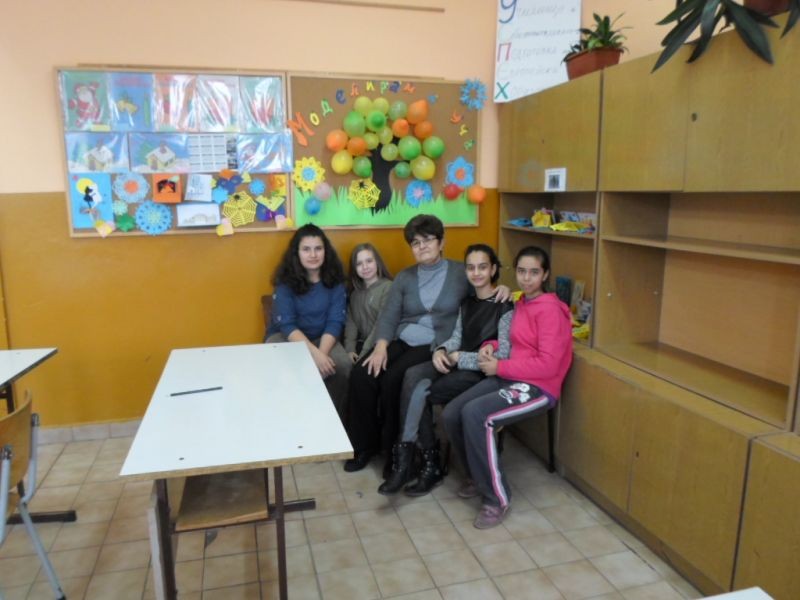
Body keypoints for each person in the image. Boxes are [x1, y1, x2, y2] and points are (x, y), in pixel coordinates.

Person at [443, 246, 573, 529]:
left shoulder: (550, 311)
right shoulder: (521, 302)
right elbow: (514, 343)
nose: (526, 278)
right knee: (452, 412)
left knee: (477, 414)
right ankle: (476, 476)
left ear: (545, 275)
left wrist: (500, 368)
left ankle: (496, 499)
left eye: (534, 272)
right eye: (522, 271)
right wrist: (490, 347)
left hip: (538, 387)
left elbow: (548, 365)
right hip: (512, 375)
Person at [378, 244, 513, 496]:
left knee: (420, 393)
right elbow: (457, 337)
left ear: (494, 269)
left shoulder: (505, 305)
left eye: (483, 267)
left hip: (482, 374)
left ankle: (425, 462)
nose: (476, 273)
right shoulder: (467, 303)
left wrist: (460, 358)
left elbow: (503, 356)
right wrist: (441, 349)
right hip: (458, 364)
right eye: (471, 267)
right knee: (414, 377)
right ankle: (415, 459)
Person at [343, 215, 468, 473]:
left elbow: (484, 292)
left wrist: (501, 290)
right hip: (402, 339)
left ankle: (394, 453)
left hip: (435, 344)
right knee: (362, 374)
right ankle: (364, 446)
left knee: (392, 380)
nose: (422, 247)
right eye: (415, 243)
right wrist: (380, 348)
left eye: (427, 240)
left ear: (441, 242)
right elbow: (389, 316)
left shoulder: (461, 273)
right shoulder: (405, 277)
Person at [265, 223, 351, 419]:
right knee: (285, 370)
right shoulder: (285, 282)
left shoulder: (336, 281)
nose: (313, 254)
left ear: (325, 251)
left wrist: (322, 355)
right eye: (306, 249)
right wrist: (315, 356)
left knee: (342, 365)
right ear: (297, 253)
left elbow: (335, 321)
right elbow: (287, 325)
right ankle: (289, 420)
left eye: (318, 248)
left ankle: (332, 421)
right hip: (286, 338)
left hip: (323, 338)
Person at [343, 243, 393, 364]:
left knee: (360, 371)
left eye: (369, 261)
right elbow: (351, 324)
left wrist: (363, 354)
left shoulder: (388, 288)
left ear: (377, 262)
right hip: (363, 343)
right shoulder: (355, 294)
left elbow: (380, 324)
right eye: (359, 264)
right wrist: (350, 349)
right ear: (354, 268)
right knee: (345, 366)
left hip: (384, 344)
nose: (365, 267)